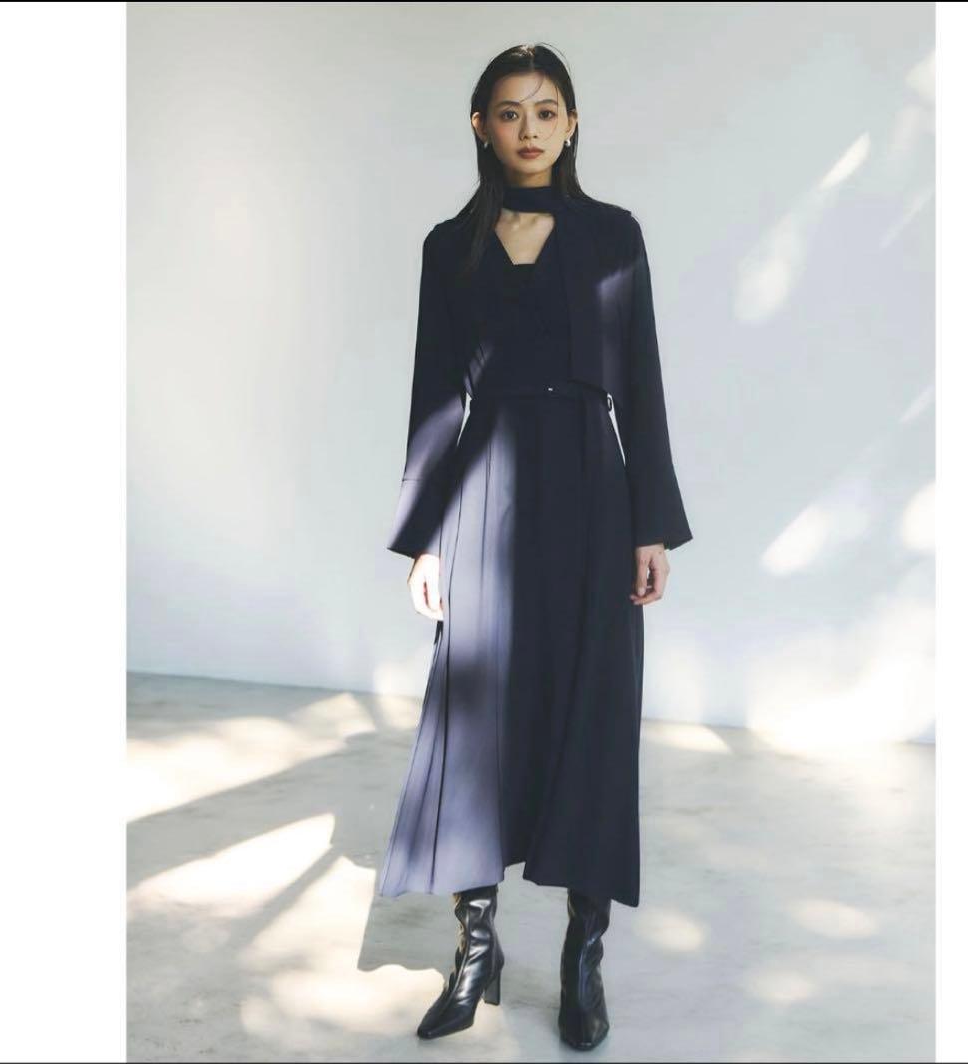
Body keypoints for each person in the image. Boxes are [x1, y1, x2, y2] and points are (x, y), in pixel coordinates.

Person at [377, 43, 693, 1049]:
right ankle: (476, 951)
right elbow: (436, 394)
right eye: (509, 111)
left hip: (594, 494)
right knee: (474, 718)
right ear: (480, 126)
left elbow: (640, 381)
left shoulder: (612, 236)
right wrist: (426, 537)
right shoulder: (449, 246)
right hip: (482, 492)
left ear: (571, 124)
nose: (528, 127)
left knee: (592, 711)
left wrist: (651, 523)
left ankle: (582, 954)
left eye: (546, 110)